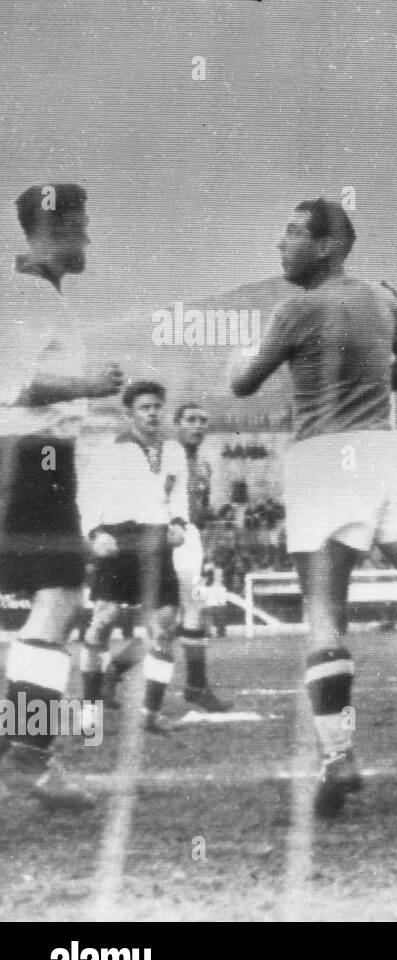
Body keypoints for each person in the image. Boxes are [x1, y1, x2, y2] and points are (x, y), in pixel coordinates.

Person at [229, 198, 397, 817]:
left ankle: (338, 757)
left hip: (325, 458)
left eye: (292, 233)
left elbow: (242, 383)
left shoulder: (297, 308)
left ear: (328, 246)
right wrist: (368, 388)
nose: (280, 244)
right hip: (389, 452)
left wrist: (237, 358)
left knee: (324, 617)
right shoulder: (382, 298)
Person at [0, 183, 123, 809]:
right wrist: (91, 385)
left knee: (59, 600)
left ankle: (21, 745)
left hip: (38, 459)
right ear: (51, 229)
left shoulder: (35, 292)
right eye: (80, 227)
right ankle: (27, 752)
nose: (89, 240)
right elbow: (18, 385)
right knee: (62, 599)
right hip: (30, 458)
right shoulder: (25, 293)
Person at [78, 381, 190, 734]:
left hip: (156, 539)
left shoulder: (174, 451)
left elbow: (179, 496)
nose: (153, 413)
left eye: (157, 406)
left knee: (166, 624)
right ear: (129, 414)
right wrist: (95, 534)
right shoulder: (110, 449)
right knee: (104, 620)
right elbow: (88, 497)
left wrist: (179, 523)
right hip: (118, 536)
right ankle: (89, 715)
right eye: (145, 407)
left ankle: (150, 714)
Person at [169, 402, 230, 711]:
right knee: (174, 617)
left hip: (189, 542)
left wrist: (214, 519)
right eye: (191, 419)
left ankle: (197, 686)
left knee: (184, 615)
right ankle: (196, 687)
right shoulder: (167, 459)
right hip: (166, 538)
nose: (198, 426)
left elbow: (198, 510)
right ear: (177, 424)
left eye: (203, 420)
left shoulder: (204, 466)